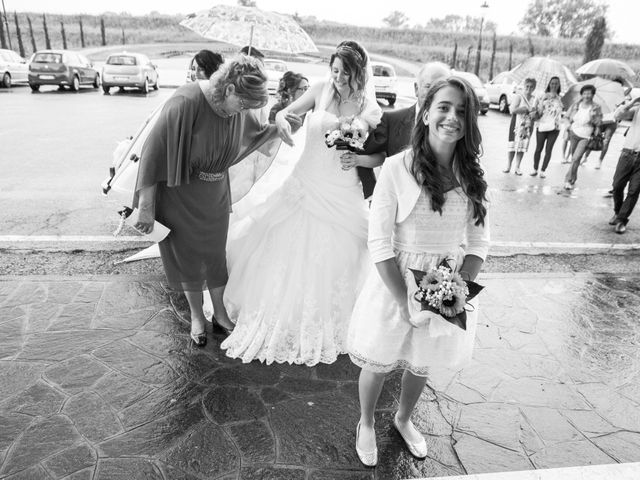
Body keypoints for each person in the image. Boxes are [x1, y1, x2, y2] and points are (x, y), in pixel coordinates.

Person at [347, 76, 490, 466]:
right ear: (426, 113)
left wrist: (454, 287)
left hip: (444, 286)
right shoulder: (396, 168)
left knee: (422, 359)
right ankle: (365, 423)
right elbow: (378, 243)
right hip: (395, 280)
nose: (452, 117)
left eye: (462, 111)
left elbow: (478, 243)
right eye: (444, 107)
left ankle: (403, 418)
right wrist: (404, 299)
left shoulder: (473, 175)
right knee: (378, 360)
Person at [220, 40, 382, 365]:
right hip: (305, 180)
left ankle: (338, 318)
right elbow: (284, 113)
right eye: (334, 70)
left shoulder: (369, 107)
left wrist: (359, 159)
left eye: (345, 73)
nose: (338, 78)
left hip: (342, 188)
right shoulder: (320, 89)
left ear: (358, 74)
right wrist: (282, 123)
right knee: (284, 245)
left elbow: (379, 154)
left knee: (344, 254)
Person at [132, 55, 298, 347]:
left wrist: (280, 128)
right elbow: (152, 154)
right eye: (244, 104)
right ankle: (197, 317)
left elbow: (255, 135)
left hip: (216, 195)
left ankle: (220, 314)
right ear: (230, 89)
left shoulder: (236, 108)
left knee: (215, 256)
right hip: (180, 195)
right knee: (189, 260)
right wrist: (145, 208)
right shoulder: (184, 103)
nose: (245, 111)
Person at [354, 62, 451, 198]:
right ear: (416, 89)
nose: (435, 93)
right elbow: (361, 156)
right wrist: (372, 195)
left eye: (441, 87)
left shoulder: (456, 127)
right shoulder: (391, 120)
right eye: (428, 86)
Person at [608, 95, 640, 234]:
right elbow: (617, 115)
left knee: (634, 191)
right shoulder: (637, 109)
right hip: (627, 153)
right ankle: (618, 211)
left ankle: (621, 219)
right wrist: (632, 102)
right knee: (617, 186)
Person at [563, 84, 602, 190]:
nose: (587, 95)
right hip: (574, 133)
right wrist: (568, 125)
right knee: (574, 159)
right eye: (585, 93)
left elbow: (598, 124)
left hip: (586, 136)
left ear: (593, 95)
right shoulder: (576, 105)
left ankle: (568, 180)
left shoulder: (596, 107)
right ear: (581, 94)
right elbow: (566, 117)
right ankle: (573, 177)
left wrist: (594, 117)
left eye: (589, 93)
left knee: (576, 158)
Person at [503, 78, 538, 175]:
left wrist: (534, 114)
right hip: (517, 124)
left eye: (531, 87)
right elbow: (512, 110)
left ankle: (517, 167)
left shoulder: (535, 100)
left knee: (522, 146)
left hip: (527, 126)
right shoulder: (519, 97)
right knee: (513, 145)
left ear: (534, 88)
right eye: (527, 86)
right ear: (524, 86)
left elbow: (536, 115)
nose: (529, 88)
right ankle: (508, 165)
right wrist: (524, 109)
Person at [530, 76, 563, 178]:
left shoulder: (561, 98)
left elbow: (561, 113)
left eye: (556, 83)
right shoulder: (542, 96)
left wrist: (559, 102)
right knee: (538, 148)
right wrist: (541, 102)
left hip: (555, 127)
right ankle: (535, 169)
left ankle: (543, 170)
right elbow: (535, 109)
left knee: (549, 149)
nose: (554, 85)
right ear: (549, 84)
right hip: (542, 125)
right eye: (552, 83)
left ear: (559, 85)